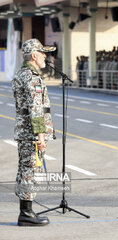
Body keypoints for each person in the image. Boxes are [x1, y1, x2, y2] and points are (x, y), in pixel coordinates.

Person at [12, 39, 56, 226]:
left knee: (25, 169)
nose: (45, 55)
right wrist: (40, 136)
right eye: (42, 52)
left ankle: (26, 210)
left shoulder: (22, 74)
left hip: (24, 131)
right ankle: (26, 214)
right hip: (31, 133)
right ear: (34, 55)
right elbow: (35, 108)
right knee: (30, 170)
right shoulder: (31, 77)